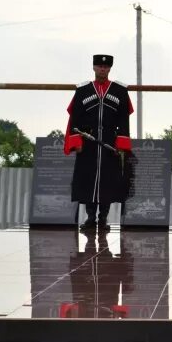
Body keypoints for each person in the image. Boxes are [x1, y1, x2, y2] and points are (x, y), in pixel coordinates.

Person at [63, 54, 133, 230]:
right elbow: (75, 118)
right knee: (87, 179)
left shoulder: (120, 91)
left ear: (109, 69)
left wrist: (122, 144)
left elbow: (124, 120)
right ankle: (90, 218)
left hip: (110, 142)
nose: (102, 69)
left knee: (108, 181)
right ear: (94, 68)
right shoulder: (82, 90)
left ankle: (103, 218)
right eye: (99, 66)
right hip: (88, 142)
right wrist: (76, 142)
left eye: (106, 67)